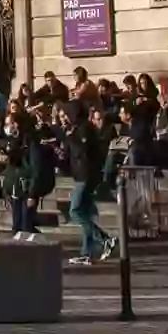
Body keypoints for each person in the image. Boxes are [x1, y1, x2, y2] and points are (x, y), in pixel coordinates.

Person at [65, 100, 113, 265]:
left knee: (75, 211)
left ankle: (103, 238)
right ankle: (87, 252)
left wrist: (71, 139)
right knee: (84, 212)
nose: (65, 117)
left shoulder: (84, 128)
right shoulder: (79, 129)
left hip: (85, 176)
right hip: (83, 175)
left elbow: (83, 152)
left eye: (67, 114)